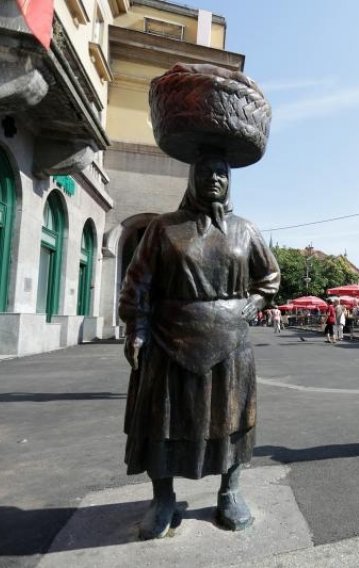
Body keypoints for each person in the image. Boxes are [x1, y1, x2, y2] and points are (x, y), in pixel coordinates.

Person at [119, 155, 280, 539]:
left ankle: (230, 491)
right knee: (164, 419)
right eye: (205, 171)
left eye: (221, 172)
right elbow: (137, 282)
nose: (213, 178)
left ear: (229, 180)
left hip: (230, 341)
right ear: (191, 178)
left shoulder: (245, 230)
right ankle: (163, 500)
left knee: (232, 418)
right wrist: (136, 328)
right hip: (169, 336)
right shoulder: (163, 228)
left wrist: (253, 303)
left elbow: (269, 277)